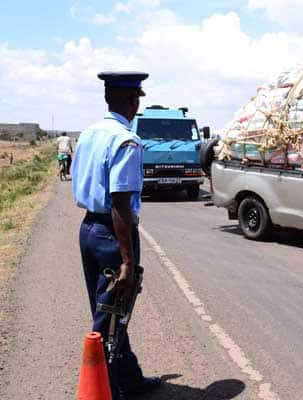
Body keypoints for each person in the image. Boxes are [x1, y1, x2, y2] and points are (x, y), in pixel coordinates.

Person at [71, 71, 160, 400]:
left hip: (89, 230)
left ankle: (129, 378)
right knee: (109, 319)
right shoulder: (126, 140)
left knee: (109, 310)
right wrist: (127, 260)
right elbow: (120, 202)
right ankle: (105, 391)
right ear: (133, 101)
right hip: (113, 233)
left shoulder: (91, 132)